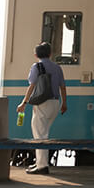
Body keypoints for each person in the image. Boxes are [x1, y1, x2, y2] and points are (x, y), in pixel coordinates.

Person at [15, 42, 67, 175]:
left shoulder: (36, 67)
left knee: (39, 135)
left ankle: (42, 166)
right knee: (44, 133)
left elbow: (31, 86)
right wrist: (64, 103)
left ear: (35, 55)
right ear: (50, 54)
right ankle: (39, 163)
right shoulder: (57, 68)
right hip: (55, 103)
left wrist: (24, 103)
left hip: (42, 103)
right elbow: (62, 87)